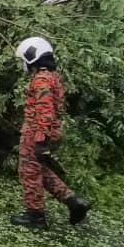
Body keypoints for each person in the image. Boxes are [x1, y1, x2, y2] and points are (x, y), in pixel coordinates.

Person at [11, 37, 90, 228]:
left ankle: (36, 217)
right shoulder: (53, 77)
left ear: (33, 57)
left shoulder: (41, 80)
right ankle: (74, 202)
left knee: (29, 173)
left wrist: (40, 140)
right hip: (48, 131)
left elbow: (45, 112)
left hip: (37, 133)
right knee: (41, 170)